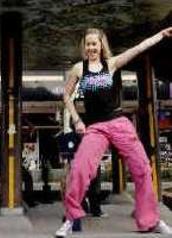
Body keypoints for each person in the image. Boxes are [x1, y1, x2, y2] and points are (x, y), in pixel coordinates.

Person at [55, 27, 172, 237]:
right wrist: (77, 119)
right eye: (88, 44)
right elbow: (65, 96)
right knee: (80, 170)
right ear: (85, 47)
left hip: (118, 122)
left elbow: (138, 48)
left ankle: (151, 220)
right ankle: (71, 219)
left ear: (101, 45)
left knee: (143, 168)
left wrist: (160, 35)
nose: (91, 47)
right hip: (95, 128)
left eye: (95, 43)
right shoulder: (78, 69)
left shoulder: (111, 64)